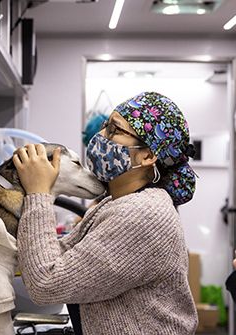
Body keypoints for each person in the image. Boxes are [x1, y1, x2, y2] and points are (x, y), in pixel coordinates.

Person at [13, 91, 198, 335]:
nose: (100, 137)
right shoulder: (115, 203)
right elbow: (58, 256)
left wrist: (39, 193)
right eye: (104, 126)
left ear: (148, 155)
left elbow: (46, 284)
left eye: (114, 130)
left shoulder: (142, 214)